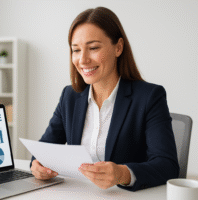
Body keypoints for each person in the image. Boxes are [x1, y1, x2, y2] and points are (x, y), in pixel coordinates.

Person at [30, 7, 179, 191]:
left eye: (93, 48)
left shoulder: (150, 97)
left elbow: (168, 166)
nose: (83, 60)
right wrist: (37, 165)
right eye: (76, 50)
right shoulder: (70, 97)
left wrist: (122, 174)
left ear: (118, 47)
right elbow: (44, 149)